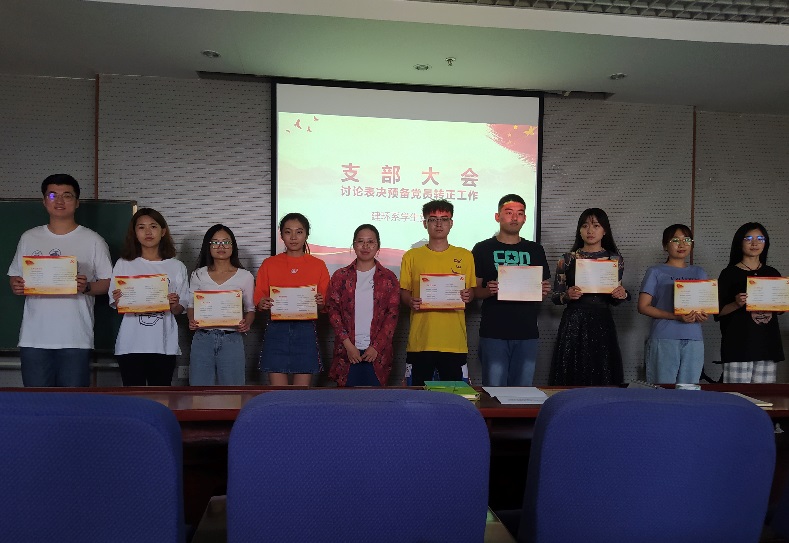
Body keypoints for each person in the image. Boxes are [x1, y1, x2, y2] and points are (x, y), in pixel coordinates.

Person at [8, 174, 112, 387]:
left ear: (77, 202)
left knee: (73, 403)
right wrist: (16, 285)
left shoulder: (93, 240)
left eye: (67, 195)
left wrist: (86, 287)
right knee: (36, 402)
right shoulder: (29, 237)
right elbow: (15, 275)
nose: (59, 201)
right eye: (52, 195)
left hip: (75, 337)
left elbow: (109, 282)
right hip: (34, 337)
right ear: (44, 201)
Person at [472, 194, 551, 386]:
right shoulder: (482, 248)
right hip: (494, 331)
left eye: (520, 213)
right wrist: (488, 291)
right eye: (509, 213)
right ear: (497, 216)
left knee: (522, 392)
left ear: (525, 218)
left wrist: (542, 291)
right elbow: (474, 291)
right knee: (494, 390)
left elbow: (542, 288)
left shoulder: (535, 249)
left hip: (527, 331)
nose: (514, 218)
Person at [400, 199, 475, 387]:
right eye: (433, 219)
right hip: (421, 341)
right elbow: (404, 293)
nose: (439, 224)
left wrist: (469, 295)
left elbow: (471, 291)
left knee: (454, 397)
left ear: (451, 223)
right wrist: (410, 301)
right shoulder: (411, 256)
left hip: (454, 342)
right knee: (417, 396)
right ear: (425, 223)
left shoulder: (465, 256)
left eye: (444, 219)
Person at [550, 208, 629, 385]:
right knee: (572, 373)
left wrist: (621, 294)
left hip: (602, 320)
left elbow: (615, 299)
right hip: (574, 321)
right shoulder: (567, 259)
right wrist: (567, 295)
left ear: (605, 230)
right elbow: (555, 297)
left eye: (596, 226)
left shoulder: (615, 259)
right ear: (579, 230)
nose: (590, 231)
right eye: (585, 226)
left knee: (603, 371)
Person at [109, 208, 188, 386]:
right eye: (141, 227)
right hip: (130, 344)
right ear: (134, 233)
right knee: (133, 398)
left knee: (161, 397)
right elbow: (115, 303)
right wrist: (119, 299)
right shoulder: (124, 264)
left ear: (163, 231)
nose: (148, 232)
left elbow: (180, 308)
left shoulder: (176, 266)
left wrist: (174, 304)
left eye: (153, 226)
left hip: (163, 344)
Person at [254, 213, 329, 386]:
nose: (293, 237)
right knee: (278, 393)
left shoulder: (318, 265)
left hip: (306, 330)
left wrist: (320, 302)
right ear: (281, 235)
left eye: (299, 232)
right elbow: (259, 299)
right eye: (288, 232)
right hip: (276, 330)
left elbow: (325, 303)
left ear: (307, 234)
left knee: (301, 394)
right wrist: (262, 303)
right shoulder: (269, 264)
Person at [326, 224, 400, 387]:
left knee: (375, 401)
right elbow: (333, 311)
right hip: (347, 353)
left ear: (378, 246)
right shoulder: (341, 276)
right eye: (360, 241)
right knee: (347, 400)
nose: (365, 246)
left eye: (370, 242)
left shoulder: (388, 278)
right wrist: (348, 345)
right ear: (354, 245)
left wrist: (376, 347)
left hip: (376, 354)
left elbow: (392, 316)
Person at [637, 224, 708, 384]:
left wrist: (703, 315)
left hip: (694, 339)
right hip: (664, 338)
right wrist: (675, 316)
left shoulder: (699, 272)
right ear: (665, 245)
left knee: (689, 391)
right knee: (663, 390)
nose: (682, 244)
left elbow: (704, 306)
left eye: (686, 240)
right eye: (675, 240)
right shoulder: (655, 271)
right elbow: (643, 306)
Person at [186, 224, 255, 386]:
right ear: (208, 246)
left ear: (233, 246)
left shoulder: (245, 276)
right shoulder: (198, 274)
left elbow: (251, 309)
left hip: (232, 338)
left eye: (226, 242)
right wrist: (191, 319)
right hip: (203, 338)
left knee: (233, 391)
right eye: (215, 242)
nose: (221, 246)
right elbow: (191, 305)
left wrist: (247, 323)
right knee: (199, 391)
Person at [716, 222, 784, 383]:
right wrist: (736, 304)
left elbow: (780, 310)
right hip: (738, 347)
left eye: (760, 238)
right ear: (739, 242)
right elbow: (717, 311)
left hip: (767, 346)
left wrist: (781, 303)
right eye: (748, 239)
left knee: (764, 396)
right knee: (736, 395)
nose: (755, 243)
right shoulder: (729, 274)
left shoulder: (772, 273)